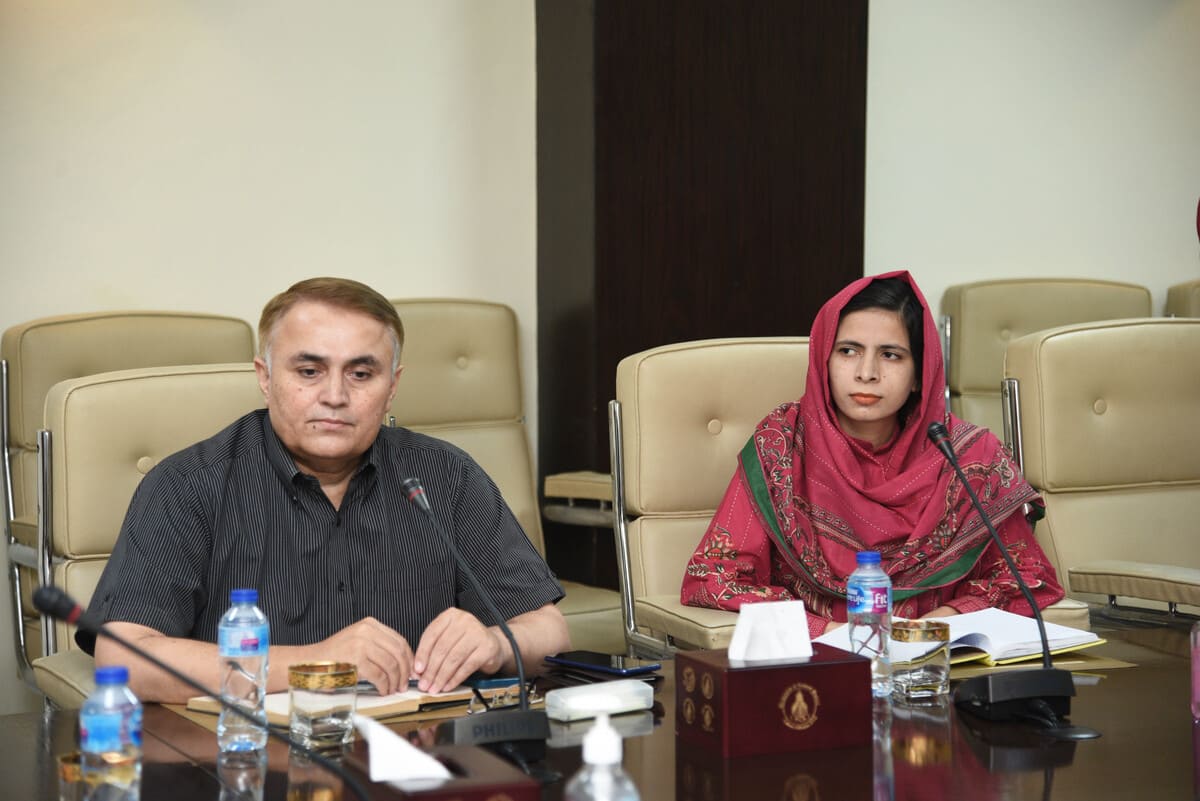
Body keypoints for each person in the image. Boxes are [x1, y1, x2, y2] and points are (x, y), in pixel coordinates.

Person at [82, 277, 570, 702]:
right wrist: (315, 663)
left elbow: (549, 633)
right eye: (309, 371)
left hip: (413, 752)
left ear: (392, 386)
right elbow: (123, 657)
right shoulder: (189, 485)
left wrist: (494, 644)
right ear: (265, 378)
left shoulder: (444, 477)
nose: (335, 396)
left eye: (361, 374)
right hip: (250, 755)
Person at [680, 271, 1063, 638]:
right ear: (824, 361)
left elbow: (1026, 576)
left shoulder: (968, 457)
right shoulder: (783, 445)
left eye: (891, 355)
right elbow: (713, 577)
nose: (867, 373)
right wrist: (828, 633)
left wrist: (941, 622)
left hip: (941, 661)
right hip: (815, 663)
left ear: (920, 374)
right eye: (848, 351)